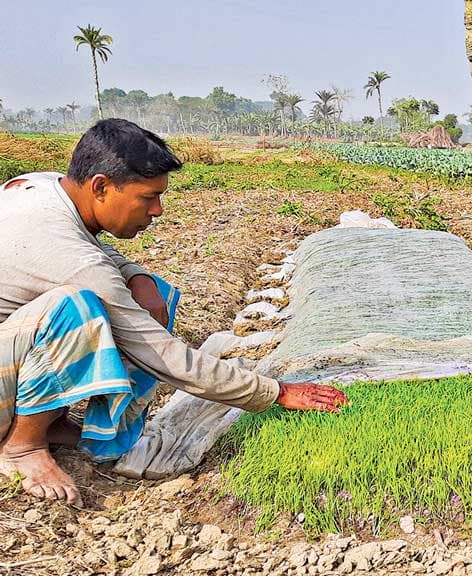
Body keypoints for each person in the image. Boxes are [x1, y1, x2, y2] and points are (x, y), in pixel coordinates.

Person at [0, 119, 348, 505]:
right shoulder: (73, 260)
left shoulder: (44, 186)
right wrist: (274, 391)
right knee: (73, 309)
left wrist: (136, 275)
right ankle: (22, 446)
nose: (158, 210)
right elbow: (161, 355)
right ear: (100, 186)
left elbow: (84, 246)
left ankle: (55, 425)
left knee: (147, 293)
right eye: (147, 197)